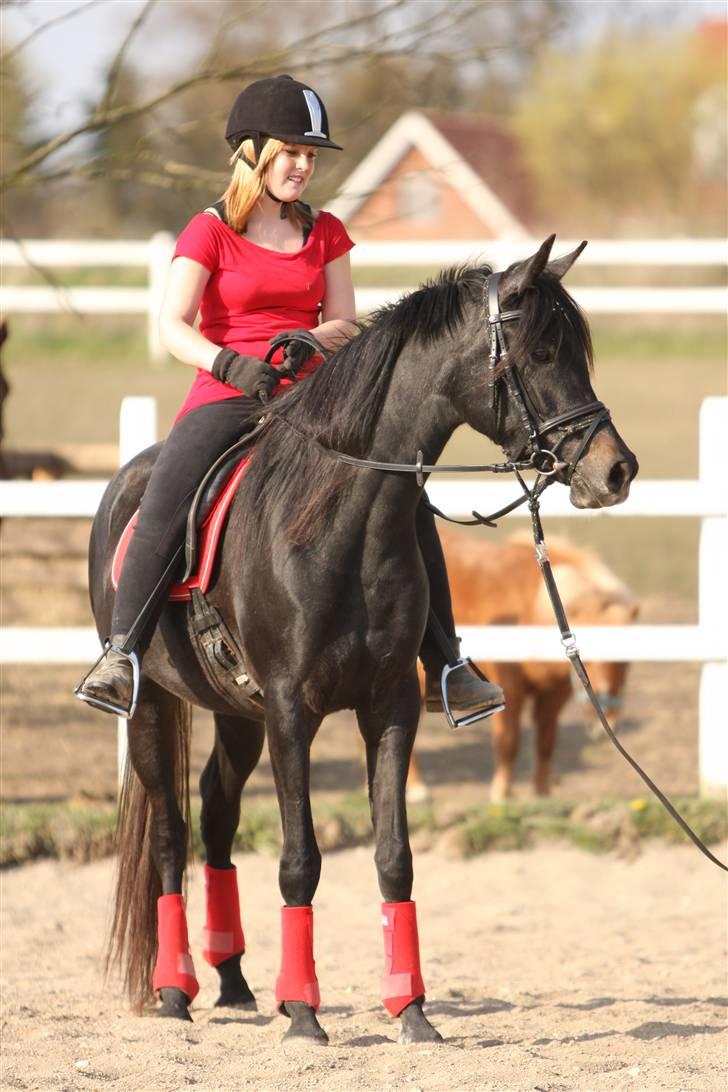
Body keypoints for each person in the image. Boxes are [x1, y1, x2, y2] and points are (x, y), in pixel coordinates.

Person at [76, 74, 504, 721]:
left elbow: (345, 320)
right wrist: (231, 364)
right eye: (291, 153)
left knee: (403, 491)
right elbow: (171, 325)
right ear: (252, 152)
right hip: (225, 395)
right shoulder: (209, 231)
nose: (303, 167)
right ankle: (122, 654)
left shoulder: (326, 231)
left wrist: (310, 338)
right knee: (167, 492)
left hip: (312, 404)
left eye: (309, 157)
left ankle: (448, 664)